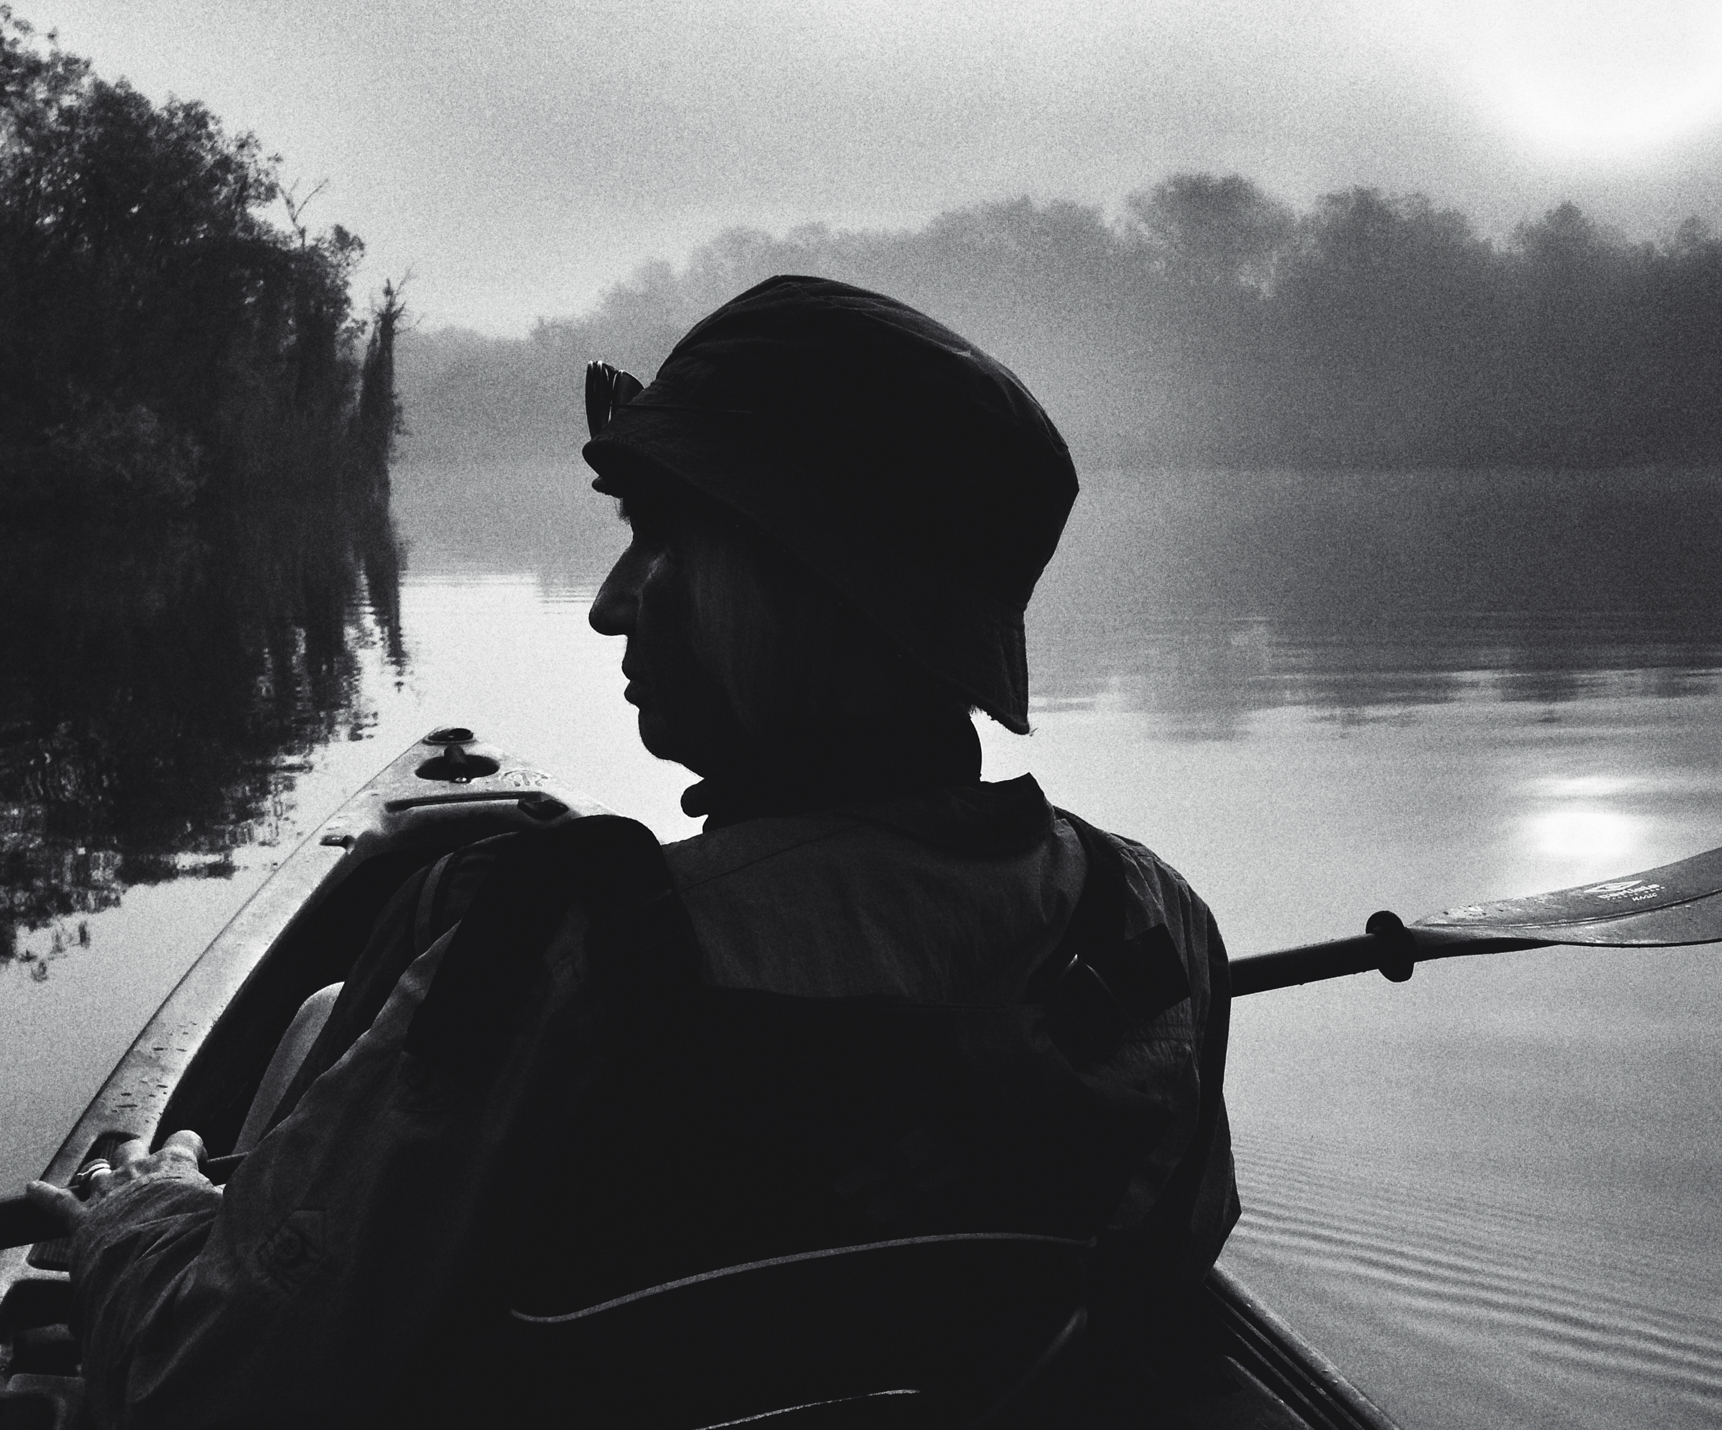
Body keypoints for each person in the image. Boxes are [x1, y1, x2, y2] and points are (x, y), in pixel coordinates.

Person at [25, 275, 1238, 1426]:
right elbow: (1158, 1287)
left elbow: (209, 1389)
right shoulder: (1156, 929)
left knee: (320, 1026)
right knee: (333, 1011)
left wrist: (135, 1221)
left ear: (795, 585)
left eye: (659, 538)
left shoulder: (560, 946)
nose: (611, 601)